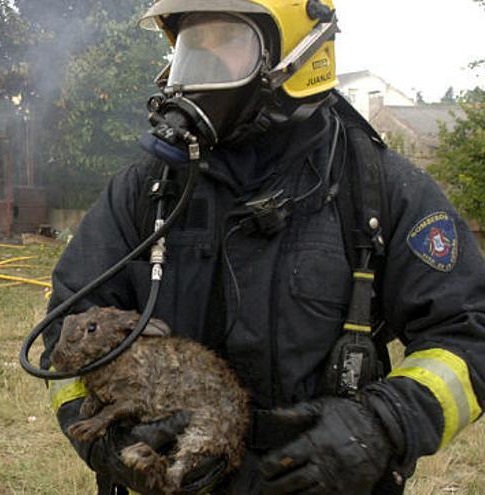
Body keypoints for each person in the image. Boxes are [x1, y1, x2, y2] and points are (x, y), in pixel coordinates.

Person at [39, 0, 485, 493]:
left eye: (227, 42)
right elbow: (65, 333)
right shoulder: (146, 193)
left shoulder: (380, 189)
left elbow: (470, 334)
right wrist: (110, 441)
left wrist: (381, 425)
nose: (200, 68)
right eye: (192, 46)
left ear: (297, 57)